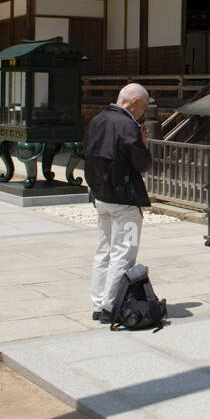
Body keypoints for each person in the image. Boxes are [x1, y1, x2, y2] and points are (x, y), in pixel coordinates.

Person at [84, 83, 153, 324]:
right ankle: (110, 305)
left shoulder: (97, 120)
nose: (143, 112)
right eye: (143, 106)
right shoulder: (127, 125)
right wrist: (142, 142)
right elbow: (141, 163)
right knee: (124, 253)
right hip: (124, 199)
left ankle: (97, 301)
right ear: (134, 102)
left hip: (101, 196)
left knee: (103, 251)